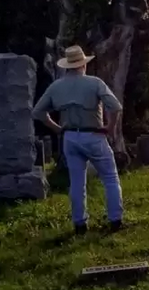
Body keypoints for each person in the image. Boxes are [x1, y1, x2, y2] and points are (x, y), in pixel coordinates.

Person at [32, 45, 124, 235]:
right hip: (94, 134)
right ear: (83, 64)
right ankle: (115, 220)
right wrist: (110, 127)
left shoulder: (56, 86)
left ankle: (80, 223)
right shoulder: (95, 83)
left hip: (70, 137)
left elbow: (38, 112)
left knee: (76, 182)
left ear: (66, 66)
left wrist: (57, 129)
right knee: (110, 178)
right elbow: (115, 107)